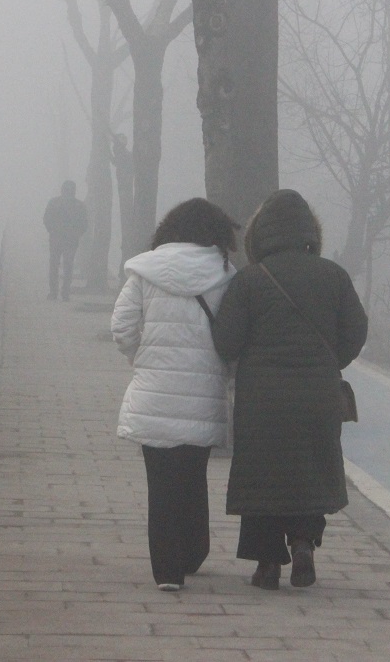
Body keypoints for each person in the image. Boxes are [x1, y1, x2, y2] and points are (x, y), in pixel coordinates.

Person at [211, 189, 368, 590]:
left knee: (262, 476)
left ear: (260, 234)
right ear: (309, 232)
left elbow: (226, 341)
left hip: (261, 398)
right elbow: (356, 331)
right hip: (317, 394)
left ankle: (266, 564)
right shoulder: (333, 275)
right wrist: (330, 361)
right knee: (308, 470)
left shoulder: (249, 281)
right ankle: (302, 544)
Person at [111, 198, 239, 591]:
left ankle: (167, 571)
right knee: (193, 476)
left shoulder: (144, 271)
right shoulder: (226, 275)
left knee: (160, 482)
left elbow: (122, 327)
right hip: (202, 394)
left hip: (154, 393)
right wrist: (222, 372)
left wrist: (142, 359)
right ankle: (193, 551)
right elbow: (233, 336)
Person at [43, 180, 88, 300]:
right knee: (68, 266)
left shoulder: (54, 203)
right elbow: (84, 224)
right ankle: (65, 293)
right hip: (70, 240)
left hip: (57, 239)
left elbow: (47, 219)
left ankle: (54, 292)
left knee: (54, 265)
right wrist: (76, 234)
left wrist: (52, 231)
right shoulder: (79, 206)